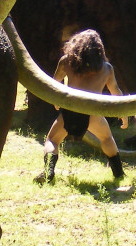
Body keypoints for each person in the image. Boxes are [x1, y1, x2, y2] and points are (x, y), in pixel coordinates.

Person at [36, 30, 128, 184]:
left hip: (69, 112)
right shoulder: (107, 68)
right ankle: (119, 174)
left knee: (52, 140)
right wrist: (124, 115)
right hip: (92, 113)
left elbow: (54, 82)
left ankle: (48, 172)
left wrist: (56, 101)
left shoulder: (66, 62)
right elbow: (116, 92)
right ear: (99, 50)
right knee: (106, 139)